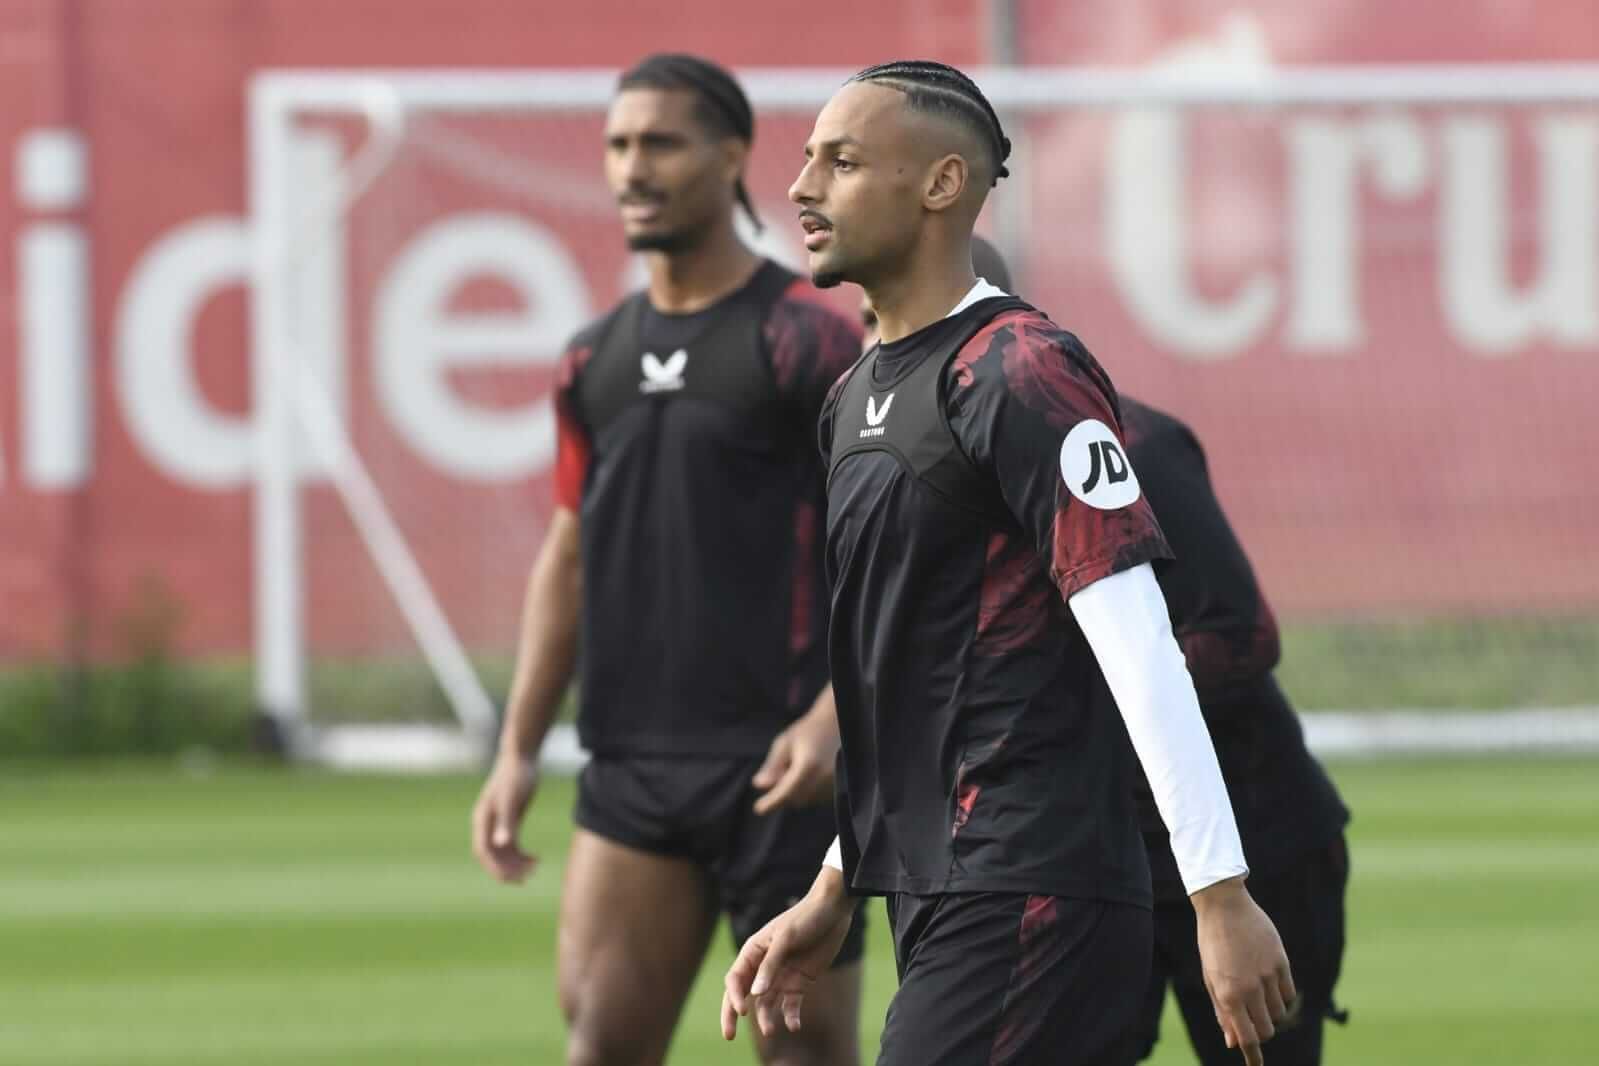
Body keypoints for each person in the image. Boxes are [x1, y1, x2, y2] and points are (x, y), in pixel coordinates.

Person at [721, 61, 1294, 1066]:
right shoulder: (852, 398)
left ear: (943, 184)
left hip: (1035, 884)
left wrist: (1220, 893)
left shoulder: (1021, 370)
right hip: (933, 886)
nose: (802, 188)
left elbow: (1139, 643)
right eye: (808, 160)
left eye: (842, 162)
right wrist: (833, 885)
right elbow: (900, 689)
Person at [470, 53, 865, 1066]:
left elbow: (897, 548)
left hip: (785, 770)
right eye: (617, 145)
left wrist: (836, 715)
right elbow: (567, 554)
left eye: (660, 143)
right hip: (633, 768)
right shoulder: (588, 359)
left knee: (805, 1057)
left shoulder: (810, 343)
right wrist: (518, 748)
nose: (632, 168)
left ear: (731, 156)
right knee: (601, 1048)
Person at [871, 237, 1353, 1065]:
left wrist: (1069, 687)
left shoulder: (1131, 445)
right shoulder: (909, 466)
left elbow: (1242, 635)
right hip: (1089, 859)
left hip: (1250, 836)